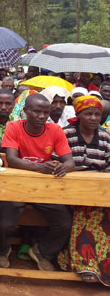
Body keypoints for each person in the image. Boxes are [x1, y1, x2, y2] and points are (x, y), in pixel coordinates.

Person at [0, 94, 74, 270]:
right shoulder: (14, 127)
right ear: (25, 111)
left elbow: (70, 162)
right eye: (37, 112)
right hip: (17, 185)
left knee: (65, 222)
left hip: (43, 187)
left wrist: (63, 168)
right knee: (5, 222)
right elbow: (12, 160)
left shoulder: (55, 130)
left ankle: (42, 252)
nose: (42, 116)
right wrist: (39, 167)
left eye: (46, 112)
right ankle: (2, 250)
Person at [57, 95, 110, 285]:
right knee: (86, 213)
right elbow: (57, 161)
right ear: (78, 114)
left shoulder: (104, 137)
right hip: (69, 190)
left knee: (103, 211)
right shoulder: (65, 134)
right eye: (89, 114)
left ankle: (105, 266)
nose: (94, 118)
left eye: (97, 114)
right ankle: (85, 264)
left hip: (99, 191)